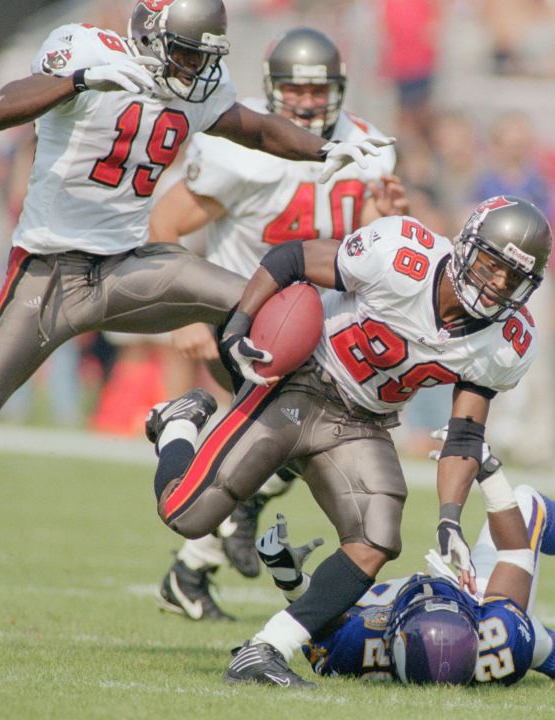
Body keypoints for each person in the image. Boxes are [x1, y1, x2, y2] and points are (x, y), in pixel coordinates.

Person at [0, 0, 391, 483]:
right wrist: (80, 81)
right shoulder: (86, 48)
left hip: (129, 267)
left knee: (269, 305)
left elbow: (258, 129)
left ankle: (262, 430)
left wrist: (325, 149)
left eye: (206, 57)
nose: (198, 69)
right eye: (188, 54)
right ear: (151, 35)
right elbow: (0, 111)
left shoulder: (197, 86)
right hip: (49, 274)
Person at [143, 195, 554, 686]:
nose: (496, 284)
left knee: (376, 538)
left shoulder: (505, 340)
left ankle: (266, 648)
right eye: (492, 264)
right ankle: (179, 423)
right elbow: (291, 258)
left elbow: (465, 437)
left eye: (513, 277)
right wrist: (237, 324)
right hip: (302, 379)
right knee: (187, 515)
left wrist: (449, 520)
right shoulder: (405, 254)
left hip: (364, 420)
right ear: (467, 246)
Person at [144, 26, 408, 621]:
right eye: (296, 90)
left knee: (293, 440)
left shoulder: (366, 147)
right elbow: (163, 225)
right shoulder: (239, 148)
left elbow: (369, 240)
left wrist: (392, 218)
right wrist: (184, 317)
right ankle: (203, 483)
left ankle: (194, 565)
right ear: (272, 90)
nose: (310, 103)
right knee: (299, 434)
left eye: (321, 91)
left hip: (316, 327)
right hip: (245, 321)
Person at [256, 471, 555, 686]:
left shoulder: (360, 648)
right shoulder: (499, 629)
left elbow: (320, 620)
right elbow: (514, 548)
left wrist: (289, 577)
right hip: (502, 631)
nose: (426, 588)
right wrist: (489, 472)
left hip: (497, 647)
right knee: (527, 504)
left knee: (542, 645)